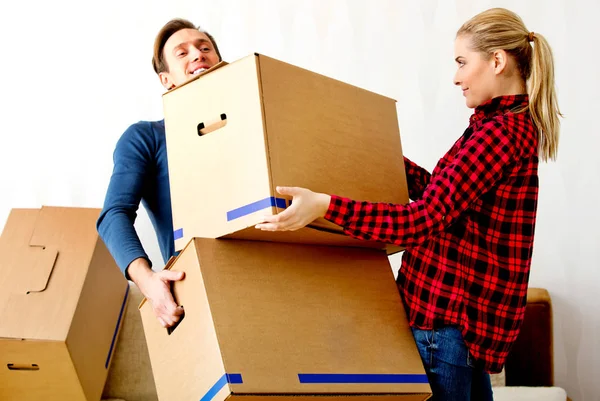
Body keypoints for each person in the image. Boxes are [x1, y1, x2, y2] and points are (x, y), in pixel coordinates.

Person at [255, 7, 562, 401]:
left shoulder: (499, 135)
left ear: (497, 61)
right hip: (455, 328)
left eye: (462, 62)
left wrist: (327, 206)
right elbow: (448, 200)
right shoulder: (499, 127)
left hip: (445, 326)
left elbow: (424, 219)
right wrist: (382, 159)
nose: (455, 77)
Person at [97, 19, 222, 329]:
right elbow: (114, 215)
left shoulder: (257, 124)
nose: (197, 54)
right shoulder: (147, 137)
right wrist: (148, 281)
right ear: (167, 79)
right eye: (183, 52)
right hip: (197, 287)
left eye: (205, 48)